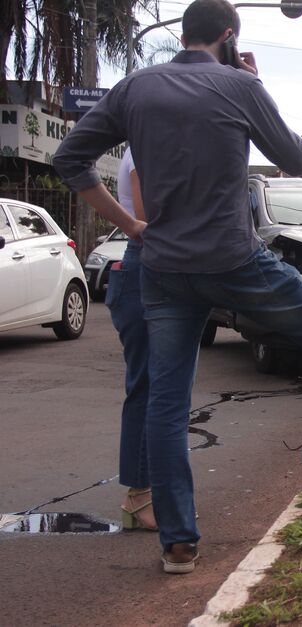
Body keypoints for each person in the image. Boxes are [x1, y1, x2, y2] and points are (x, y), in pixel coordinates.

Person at [54, 0, 302, 575]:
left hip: (163, 267)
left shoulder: (134, 88)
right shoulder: (238, 85)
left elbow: (69, 157)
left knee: (167, 400)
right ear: (229, 37)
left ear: (184, 35)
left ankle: (178, 542)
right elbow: (295, 158)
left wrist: (129, 225)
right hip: (233, 260)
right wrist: (255, 87)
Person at [110, 147, 157, 532]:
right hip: (147, 264)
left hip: (148, 265)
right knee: (148, 386)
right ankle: (140, 496)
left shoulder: (149, 139)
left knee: (157, 386)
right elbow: (148, 218)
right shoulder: (145, 145)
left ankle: (147, 493)